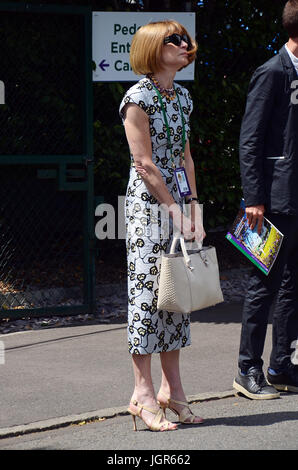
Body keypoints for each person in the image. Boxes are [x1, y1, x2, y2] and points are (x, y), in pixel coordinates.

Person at [119, 20, 205, 431]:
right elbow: (145, 164)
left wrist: (193, 210)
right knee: (148, 297)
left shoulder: (182, 97)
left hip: (176, 203)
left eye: (186, 39)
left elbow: (185, 157)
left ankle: (175, 392)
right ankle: (143, 394)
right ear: (154, 48)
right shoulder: (138, 98)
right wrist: (172, 208)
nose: (185, 45)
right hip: (147, 207)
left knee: (176, 295)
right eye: (175, 40)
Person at [233, 0, 298, 399]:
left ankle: (280, 365)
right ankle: (247, 370)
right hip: (271, 202)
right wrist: (254, 197)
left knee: (293, 287)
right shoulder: (272, 72)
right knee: (264, 286)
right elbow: (250, 139)